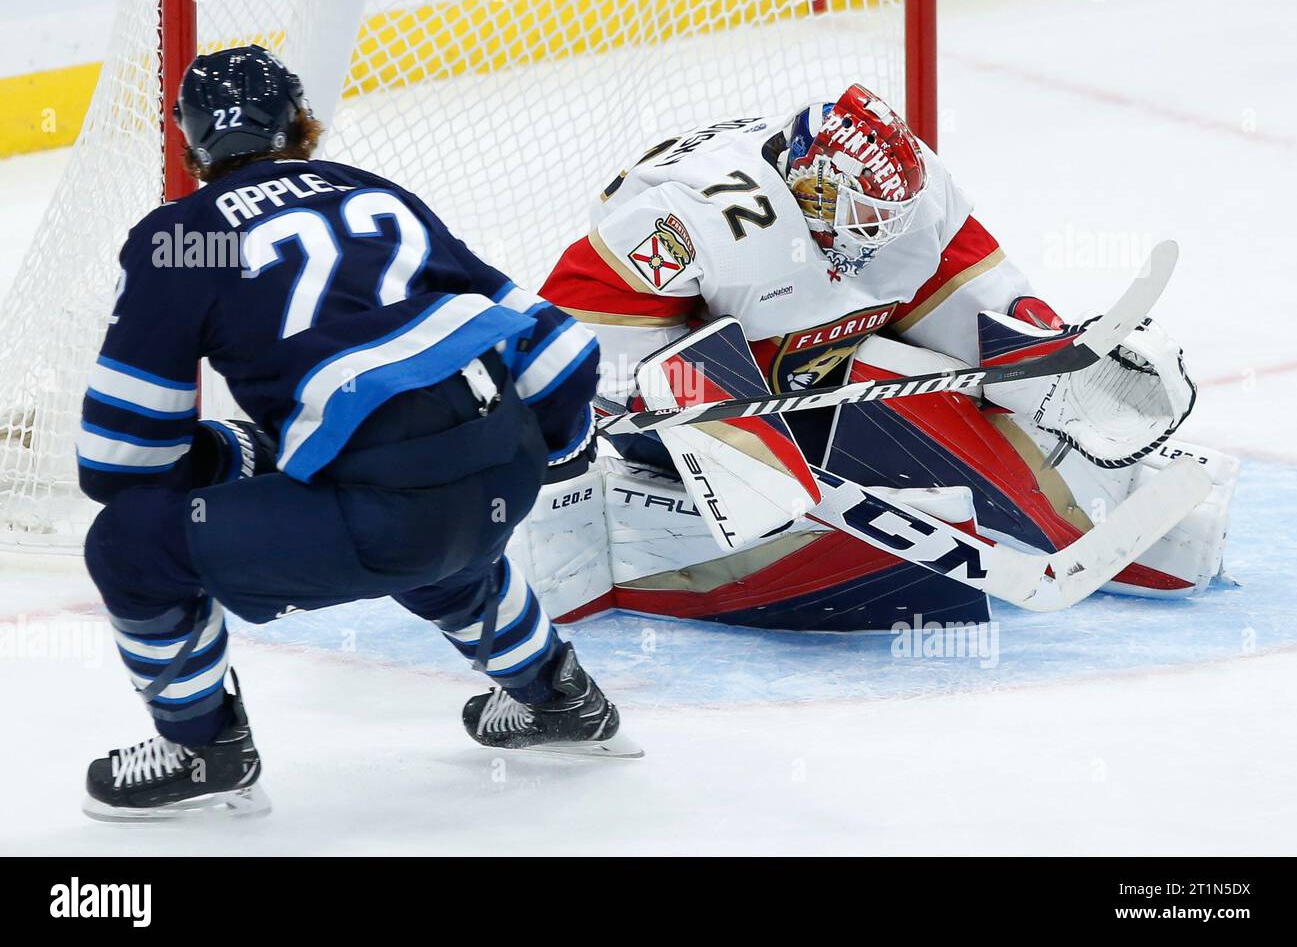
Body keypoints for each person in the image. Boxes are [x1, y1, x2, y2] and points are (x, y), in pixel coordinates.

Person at [79, 45, 635, 821]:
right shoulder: (375, 193)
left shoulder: (183, 235)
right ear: (302, 124)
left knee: (127, 545)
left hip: (388, 513)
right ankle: (560, 695)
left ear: (191, 142)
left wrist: (214, 460)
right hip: (497, 470)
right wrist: (525, 450)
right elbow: (565, 350)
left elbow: (118, 459)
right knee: (413, 494)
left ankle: (204, 747)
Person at [512, 84, 1237, 630]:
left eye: (888, 220)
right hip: (690, 382)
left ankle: (1095, 489)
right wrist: (714, 421)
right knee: (697, 370)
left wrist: (1053, 362)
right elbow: (572, 331)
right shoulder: (694, 217)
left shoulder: (908, 192)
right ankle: (743, 474)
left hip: (812, 367)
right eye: (861, 218)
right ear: (810, 183)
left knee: (956, 382)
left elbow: (978, 294)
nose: (876, 239)